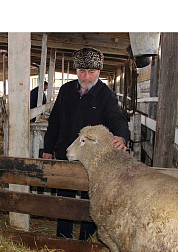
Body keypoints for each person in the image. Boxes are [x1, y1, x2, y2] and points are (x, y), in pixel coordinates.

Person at [42, 47, 130, 241]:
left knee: (89, 198)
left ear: (99, 71)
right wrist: (48, 149)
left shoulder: (106, 95)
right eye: (82, 71)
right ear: (77, 71)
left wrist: (122, 137)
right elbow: (54, 121)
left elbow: (117, 119)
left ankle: (86, 241)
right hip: (65, 153)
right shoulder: (66, 90)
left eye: (91, 72)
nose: (86, 76)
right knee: (64, 196)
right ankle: (63, 238)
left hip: (90, 159)